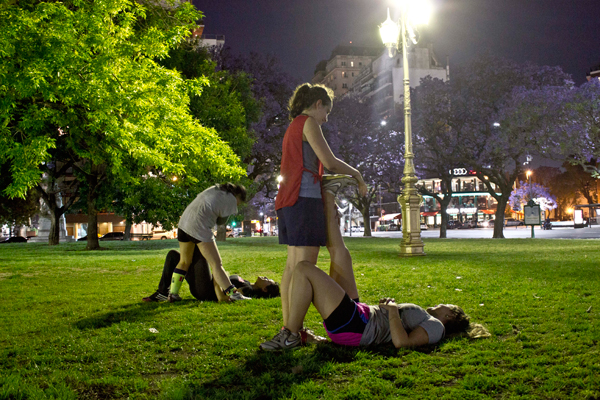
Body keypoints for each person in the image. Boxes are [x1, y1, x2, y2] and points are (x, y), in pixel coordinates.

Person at [264, 83, 368, 344]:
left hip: (289, 200)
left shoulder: (293, 126)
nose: (326, 119)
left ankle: (290, 329)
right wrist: (356, 174)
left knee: (292, 266)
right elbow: (330, 161)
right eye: (327, 113)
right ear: (318, 104)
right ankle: (290, 333)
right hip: (304, 197)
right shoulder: (308, 122)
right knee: (304, 267)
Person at [260, 260, 490, 351]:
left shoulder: (436, 327)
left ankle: (289, 334)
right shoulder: (428, 320)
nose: (439, 304)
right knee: (341, 257)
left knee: (303, 269)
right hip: (360, 317)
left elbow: (403, 343)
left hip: (358, 326)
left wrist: (392, 312)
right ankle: (330, 196)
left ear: (449, 315)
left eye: (444, 305)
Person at [167, 183, 249, 302]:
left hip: (184, 224)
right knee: (216, 263)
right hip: (199, 226)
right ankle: (233, 294)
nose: (237, 205)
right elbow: (221, 221)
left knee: (184, 261)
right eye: (239, 202)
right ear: (238, 196)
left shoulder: (215, 189)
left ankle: (173, 293)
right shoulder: (230, 199)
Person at [142, 247, 280, 302]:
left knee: (201, 251)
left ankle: (172, 294)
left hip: (206, 291)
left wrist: (216, 276)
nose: (265, 277)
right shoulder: (248, 283)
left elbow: (223, 298)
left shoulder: (248, 290)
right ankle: (162, 292)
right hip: (206, 285)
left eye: (268, 280)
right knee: (173, 255)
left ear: (265, 289)